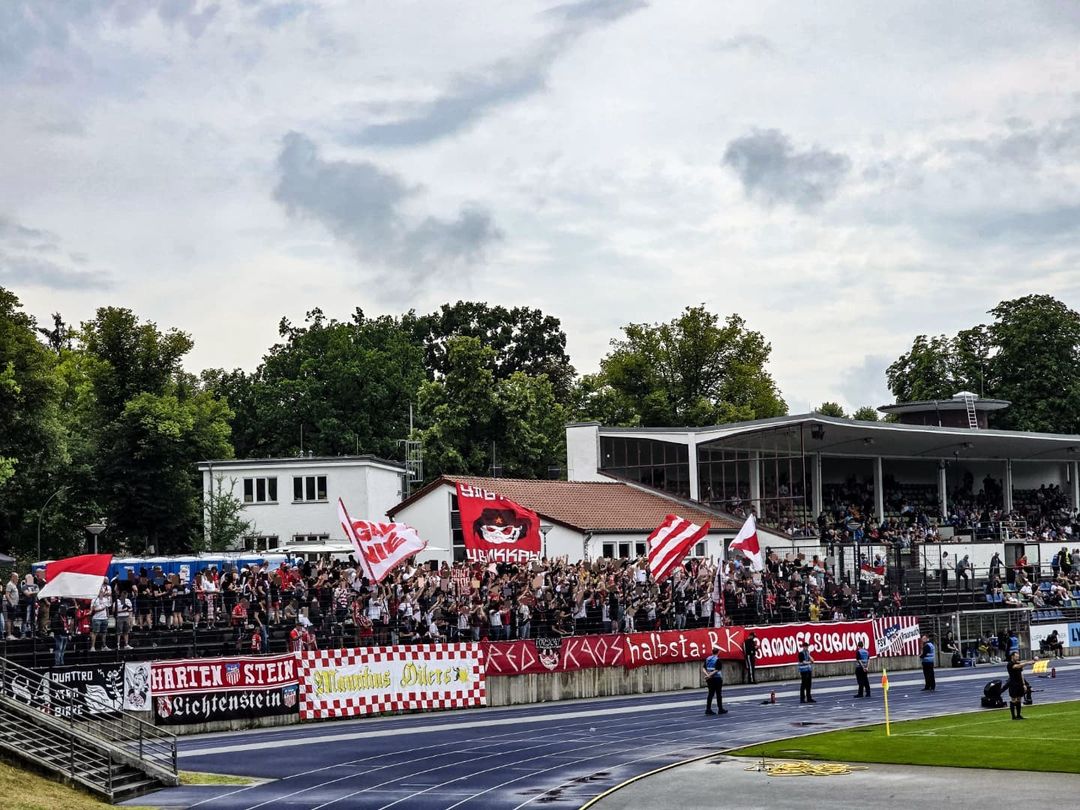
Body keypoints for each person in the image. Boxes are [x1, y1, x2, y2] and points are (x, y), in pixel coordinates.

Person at [701, 644, 727, 715]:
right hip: (717, 678)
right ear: (718, 652)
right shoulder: (717, 660)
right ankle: (720, 709)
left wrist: (707, 675)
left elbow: (703, 668)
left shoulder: (707, 659)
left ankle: (708, 709)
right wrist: (709, 675)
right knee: (718, 694)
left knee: (710, 694)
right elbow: (716, 670)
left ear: (712, 652)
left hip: (709, 679)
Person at [1006, 652, 1028, 720]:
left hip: (1019, 684)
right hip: (1013, 684)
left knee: (1019, 699)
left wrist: (1023, 684)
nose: (1017, 658)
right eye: (1016, 656)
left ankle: (1018, 715)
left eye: (1018, 656)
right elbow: (1017, 666)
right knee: (1014, 700)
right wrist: (1027, 663)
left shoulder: (1018, 663)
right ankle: (1013, 716)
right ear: (1012, 656)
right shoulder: (1010, 664)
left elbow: (1021, 674)